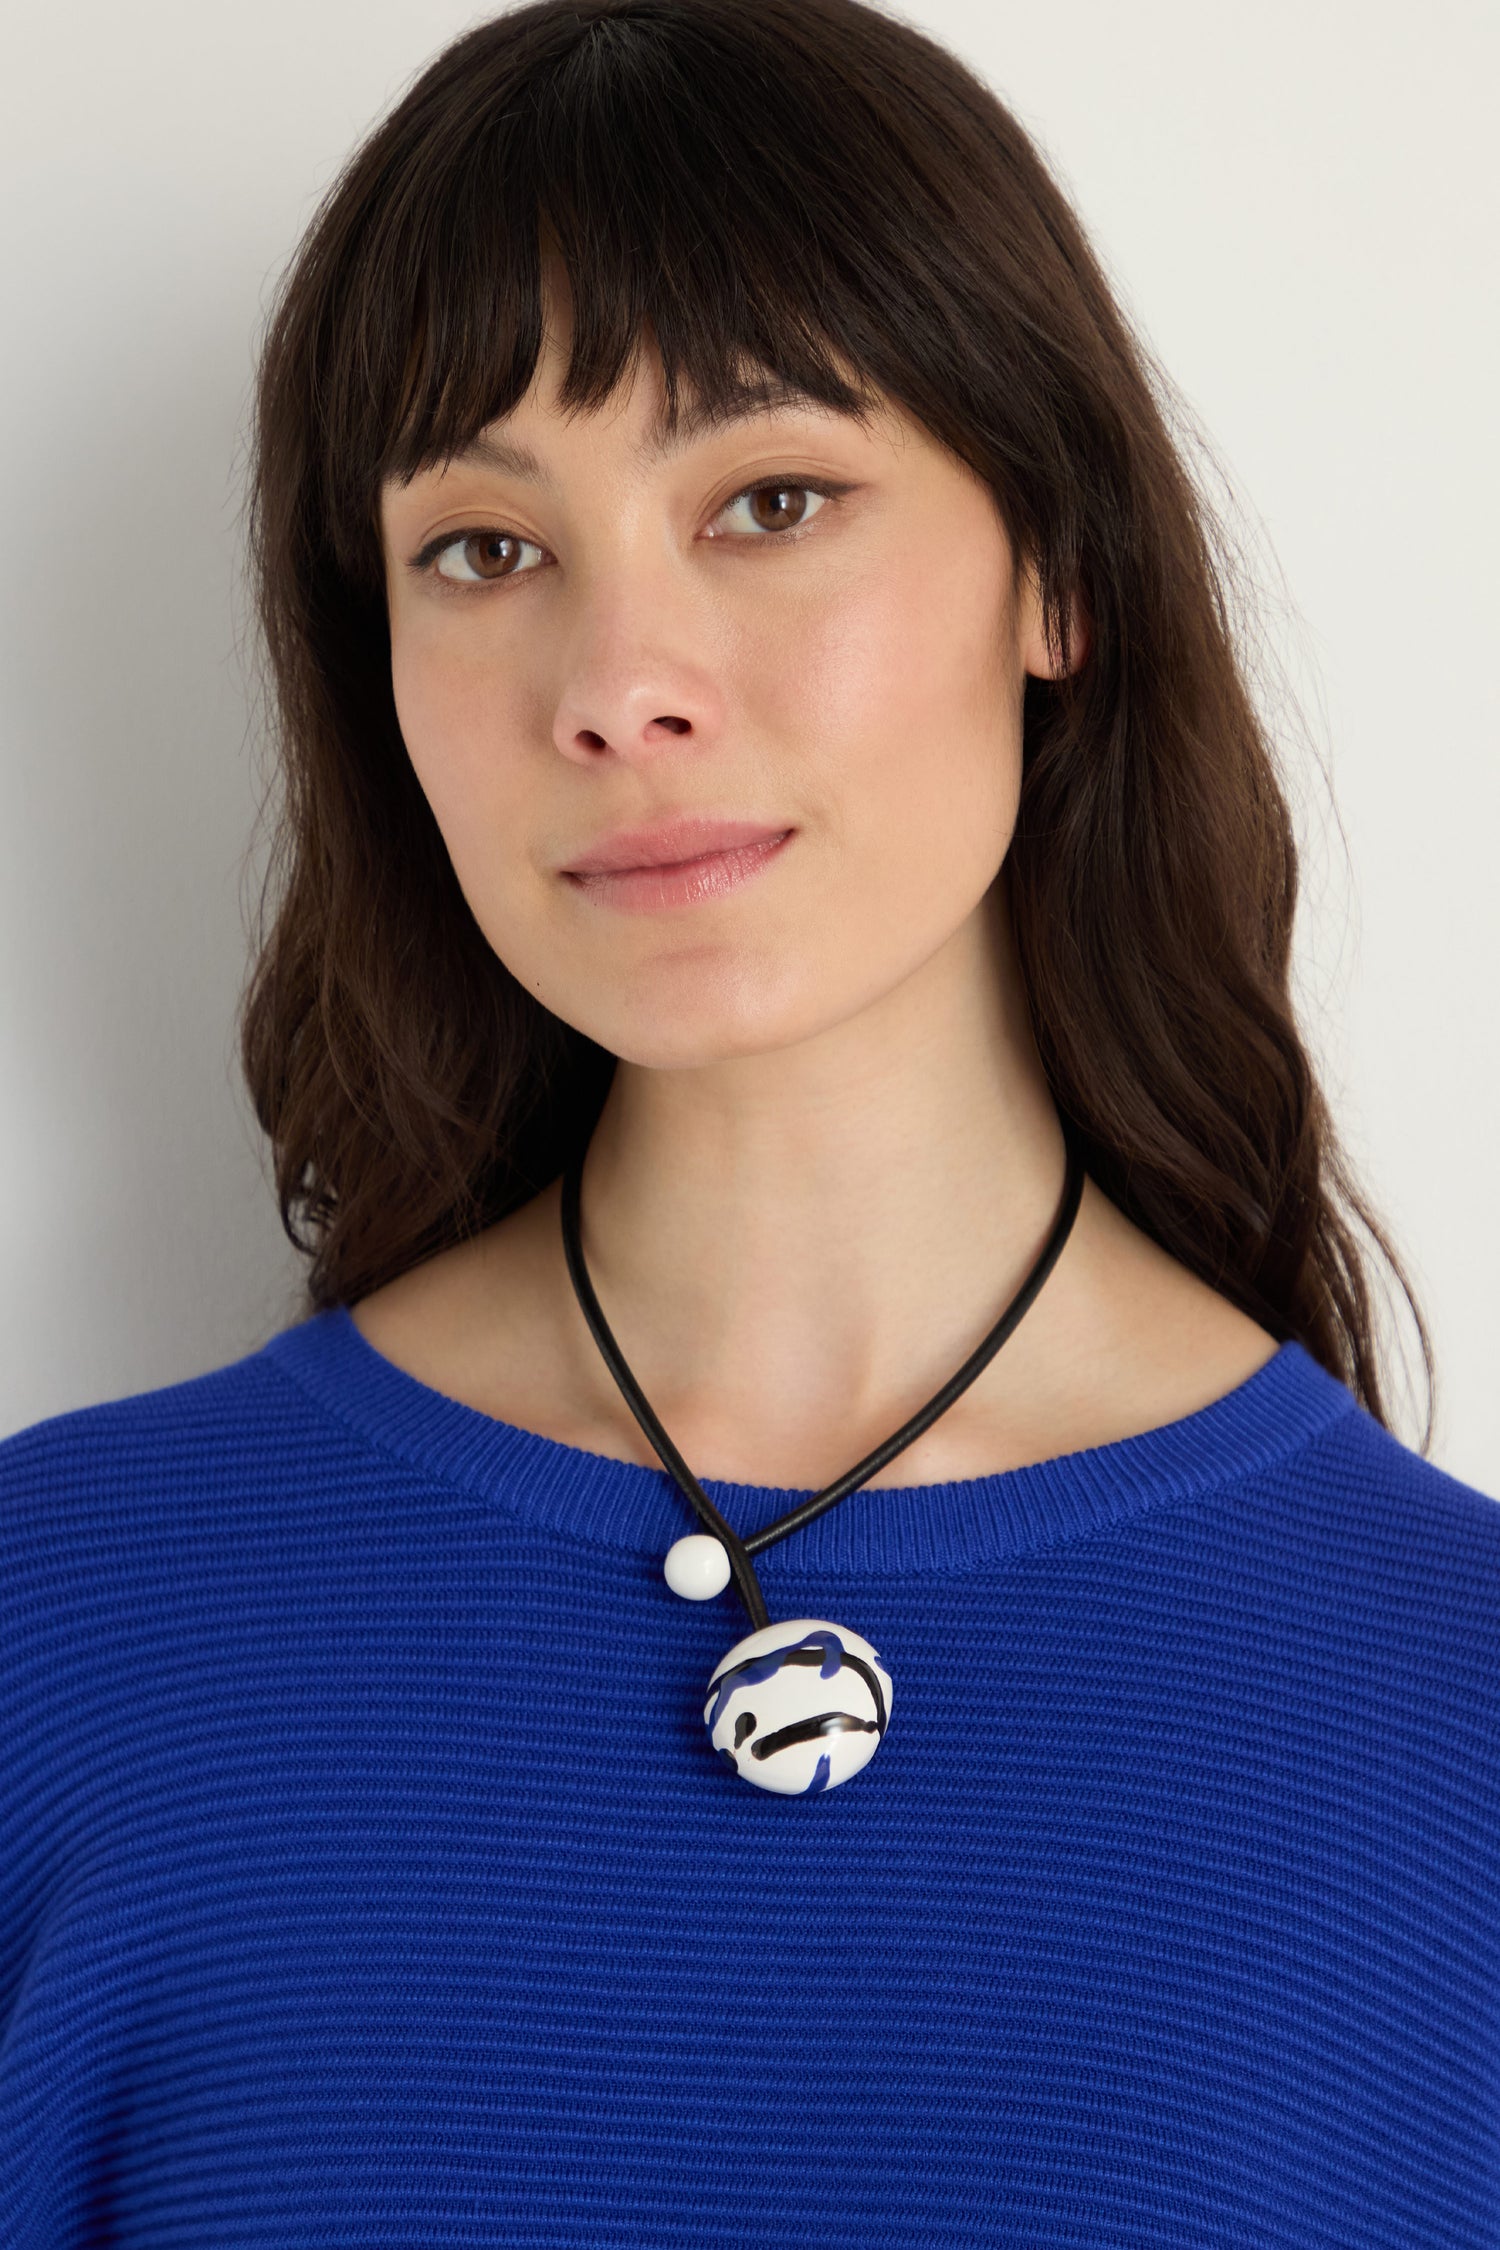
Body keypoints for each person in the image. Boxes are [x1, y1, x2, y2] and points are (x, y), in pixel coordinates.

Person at [2, 0, 1496, 2240]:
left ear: (1063, 573)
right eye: (482, 548)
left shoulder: (1451, 1717)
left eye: (772, 500)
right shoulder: (60, 1628)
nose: (619, 688)